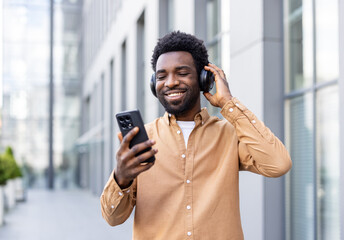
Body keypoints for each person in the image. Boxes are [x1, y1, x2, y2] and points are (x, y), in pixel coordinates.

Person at [100, 31, 292, 240]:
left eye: (182, 73)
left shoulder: (229, 134)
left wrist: (228, 104)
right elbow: (113, 218)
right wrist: (122, 177)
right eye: (162, 76)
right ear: (154, 84)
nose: (171, 82)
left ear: (203, 79)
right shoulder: (142, 139)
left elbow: (278, 164)